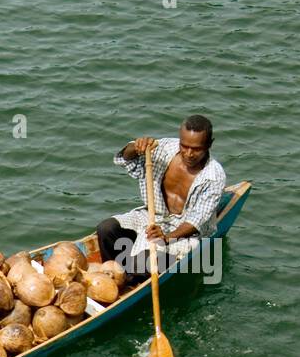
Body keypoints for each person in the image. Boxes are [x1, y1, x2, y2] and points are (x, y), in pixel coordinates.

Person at [96, 114, 226, 275]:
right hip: (152, 217)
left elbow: (195, 222)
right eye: (184, 146)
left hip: (185, 234)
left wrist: (166, 237)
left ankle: (130, 278)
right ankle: (114, 275)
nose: (189, 154)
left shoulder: (213, 175)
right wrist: (135, 147)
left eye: (196, 149)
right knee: (106, 229)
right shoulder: (163, 148)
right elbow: (125, 159)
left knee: (143, 261)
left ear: (209, 145)